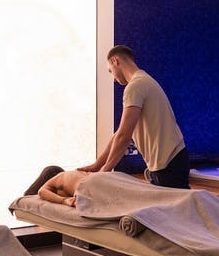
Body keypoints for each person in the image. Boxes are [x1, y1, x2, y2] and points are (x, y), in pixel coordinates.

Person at [79, 45, 190, 188]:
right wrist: (97, 165)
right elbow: (120, 133)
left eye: (110, 71)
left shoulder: (135, 86)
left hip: (169, 163)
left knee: (180, 203)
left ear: (115, 61)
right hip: (171, 160)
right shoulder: (144, 81)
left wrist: (105, 170)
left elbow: (124, 135)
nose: (113, 79)